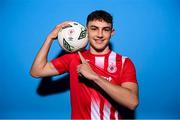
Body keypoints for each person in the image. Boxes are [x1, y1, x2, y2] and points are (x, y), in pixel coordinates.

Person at [30, 10, 139, 119]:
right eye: (94, 29)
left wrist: (95, 77)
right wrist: (50, 38)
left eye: (105, 29)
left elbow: (132, 102)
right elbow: (37, 71)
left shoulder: (124, 62)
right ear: (86, 31)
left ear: (112, 32)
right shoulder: (74, 58)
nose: (100, 35)